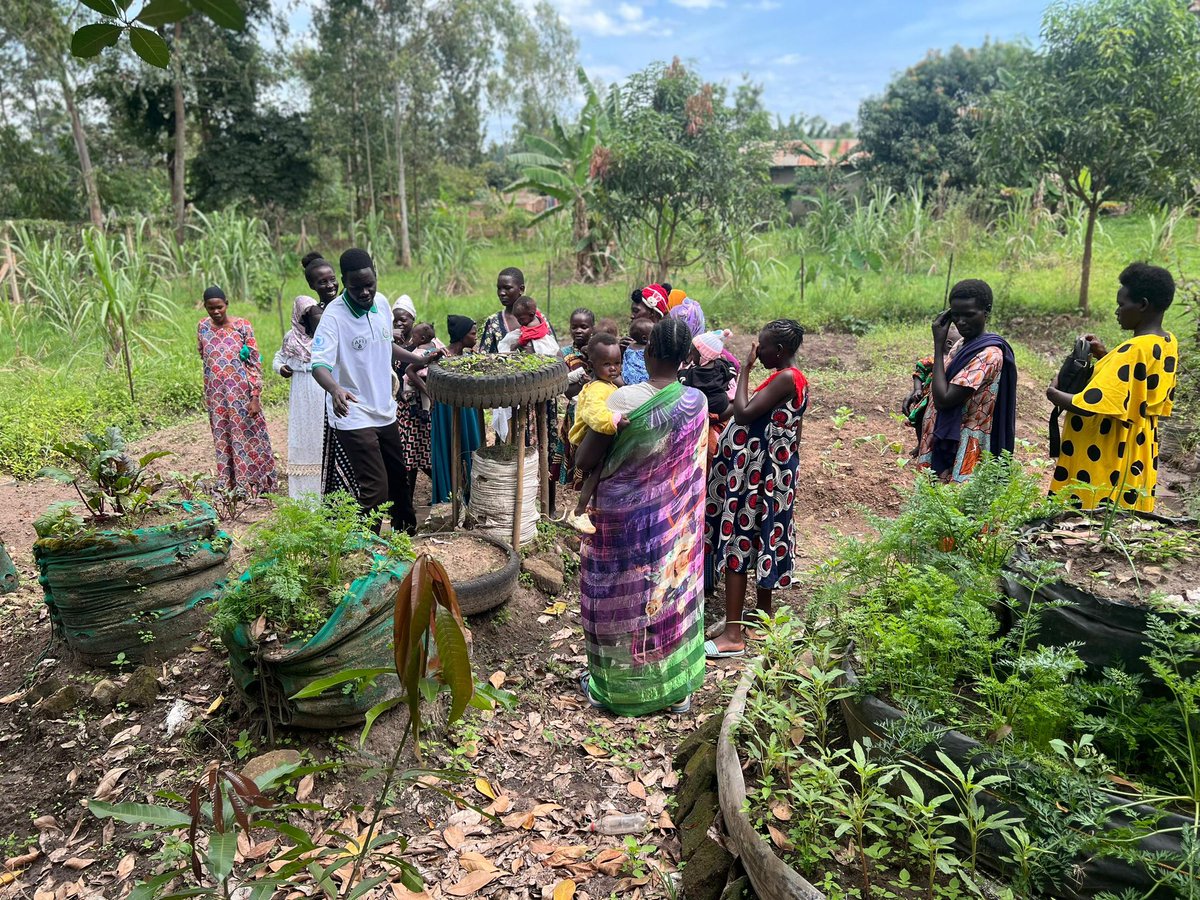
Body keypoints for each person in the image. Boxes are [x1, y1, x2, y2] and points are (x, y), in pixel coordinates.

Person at [577, 318, 707, 715]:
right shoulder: (696, 401)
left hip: (623, 521)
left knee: (619, 597)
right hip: (674, 522)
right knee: (668, 595)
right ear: (686, 358)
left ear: (646, 353)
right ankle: (675, 689)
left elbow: (585, 458)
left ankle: (613, 686)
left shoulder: (622, 400)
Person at [310, 248, 439, 534]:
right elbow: (318, 364)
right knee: (375, 488)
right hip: (353, 412)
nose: (365, 292)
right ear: (344, 282)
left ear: (376, 277)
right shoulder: (333, 317)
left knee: (399, 480)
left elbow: (382, 342)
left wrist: (417, 359)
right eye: (357, 287)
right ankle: (362, 545)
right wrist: (334, 389)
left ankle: (405, 537)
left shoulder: (381, 304)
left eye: (370, 284)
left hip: (384, 409)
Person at [705, 319, 808, 658]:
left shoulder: (784, 378)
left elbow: (746, 413)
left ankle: (733, 636)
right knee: (765, 536)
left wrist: (745, 370)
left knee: (740, 540)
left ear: (778, 351)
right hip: (775, 474)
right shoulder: (794, 379)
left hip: (760, 477)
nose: (756, 351)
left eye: (761, 346)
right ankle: (764, 619)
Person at [1046, 263, 1179, 512]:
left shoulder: (1131, 351)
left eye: (1122, 304)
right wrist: (1106, 356)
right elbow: (1136, 385)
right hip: (1138, 444)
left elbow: (1090, 406)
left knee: (1092, 507)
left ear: (1142, 305)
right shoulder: (1166, 341)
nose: (1117, 311)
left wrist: (1053, 393)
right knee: (1126, 508)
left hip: (1107, 449)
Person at [916, 279, 1017, 482]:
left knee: (957, 505)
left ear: (986, 311)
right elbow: (940, 380)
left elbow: (945, 398)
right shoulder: (963, 344)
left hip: (965, 441)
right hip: (948, 437)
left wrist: (938, 345)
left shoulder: (989, 354)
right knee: (935, 505)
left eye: (969, 315)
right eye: (956, 315)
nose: (961, 322)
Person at [197, 286, 278, 497]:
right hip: (216, 395)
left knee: (247, 436)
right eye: (210, 308)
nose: (215, 312)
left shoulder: (242, 326)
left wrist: (255, 396)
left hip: (241, 393)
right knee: (222, 435)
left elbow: (254, 362)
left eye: (219, 307)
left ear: (227, 304)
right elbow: (204, 356)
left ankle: (252, 483)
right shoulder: (202, 327)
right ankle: (229, 483)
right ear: (204, 307)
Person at [564, 333, 626, 535]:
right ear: (591, 366)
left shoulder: (607, 383)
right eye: (607, 364)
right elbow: (595, 416)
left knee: (601, 471)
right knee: (596, 471)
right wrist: (614, 421)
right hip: (589, 440)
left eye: (617, 363)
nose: (613, 368)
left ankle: (585, 510)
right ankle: (579, 512)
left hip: (599, 438)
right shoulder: (596, 388)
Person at [272, 295, 325, 499]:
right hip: (302, 392)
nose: (313, 320)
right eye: (308, 316)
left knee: (322, 434)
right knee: (304, 436)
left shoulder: (325, 336)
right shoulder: (291, 338)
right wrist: (282, 368)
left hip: (322, 388)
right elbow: (279, 358)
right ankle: (304, 497)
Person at [431, 315, 485, 506]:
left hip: (466, 409)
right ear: (462, 336)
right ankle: (449, 499)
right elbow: (412, 370)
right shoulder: (441, 356)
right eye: (473, 333)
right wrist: (431, 395)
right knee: (449, 448)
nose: (476, 337)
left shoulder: (469, 357)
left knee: (470, 447)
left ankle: (470, 497)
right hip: (445, 409)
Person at [903, 323, 961, 455]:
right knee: (920, 422)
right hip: (927, 398)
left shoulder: (959, 360)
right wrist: (917, 389)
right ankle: (920, 444)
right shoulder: (935, 360)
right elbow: (919, 373)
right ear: (949, 344)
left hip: (946, 398)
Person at [553, 309, 596, 485]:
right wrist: (586, 383)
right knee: (574, 444)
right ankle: (573, 481)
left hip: (596, 410)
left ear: (592, 328)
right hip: (575, 412)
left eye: (584, 327)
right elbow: (567, 390)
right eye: (574, 327)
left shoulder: (600, 349)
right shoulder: (564, 354)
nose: (578, 331)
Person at [680, 329, 736, 464]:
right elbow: (732, 371)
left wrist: (681, 373)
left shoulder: (695, 373)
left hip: (706, 408)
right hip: (722, 405)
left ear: (703, 356)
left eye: (693, 354)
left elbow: (683, 379)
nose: (692, 357)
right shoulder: (722, 365)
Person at [479, 267, 525, 354]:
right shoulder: (494, 322)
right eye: (499, 288)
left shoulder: (539, 318)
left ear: (521, 289)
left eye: (507, 288)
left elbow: (553, 353)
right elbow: (484, 357)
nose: (502, 293)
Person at [622, 317, 653, 386]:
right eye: (654, 333)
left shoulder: (629, 347)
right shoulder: (648, 349)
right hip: (643, 381)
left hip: (627, 378)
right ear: (645, 338)